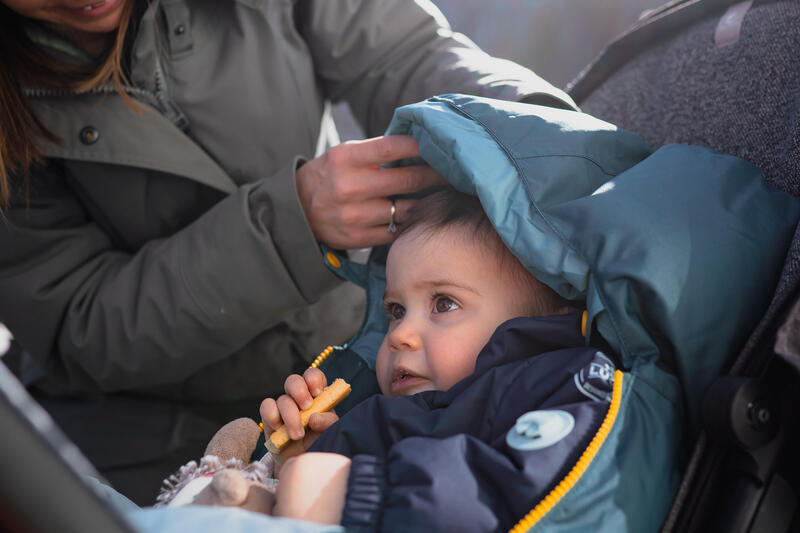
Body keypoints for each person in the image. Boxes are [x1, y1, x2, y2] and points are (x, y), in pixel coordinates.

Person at [0, 0, 577, 503]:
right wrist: (289, 228)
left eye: (444, 303)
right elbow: (79, 321)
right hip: (139, 438)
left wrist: (551, 142)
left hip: (339, 349)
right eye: (396, 310)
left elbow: (408, 54)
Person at [260, 187, 594, 529]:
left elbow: (516, 496)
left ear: (541, 325)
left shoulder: (566, 388)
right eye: (396, 310)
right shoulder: (378, 412)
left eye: (444, 304)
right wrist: (311, 452)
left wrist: (356, 494)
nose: (398, 335)